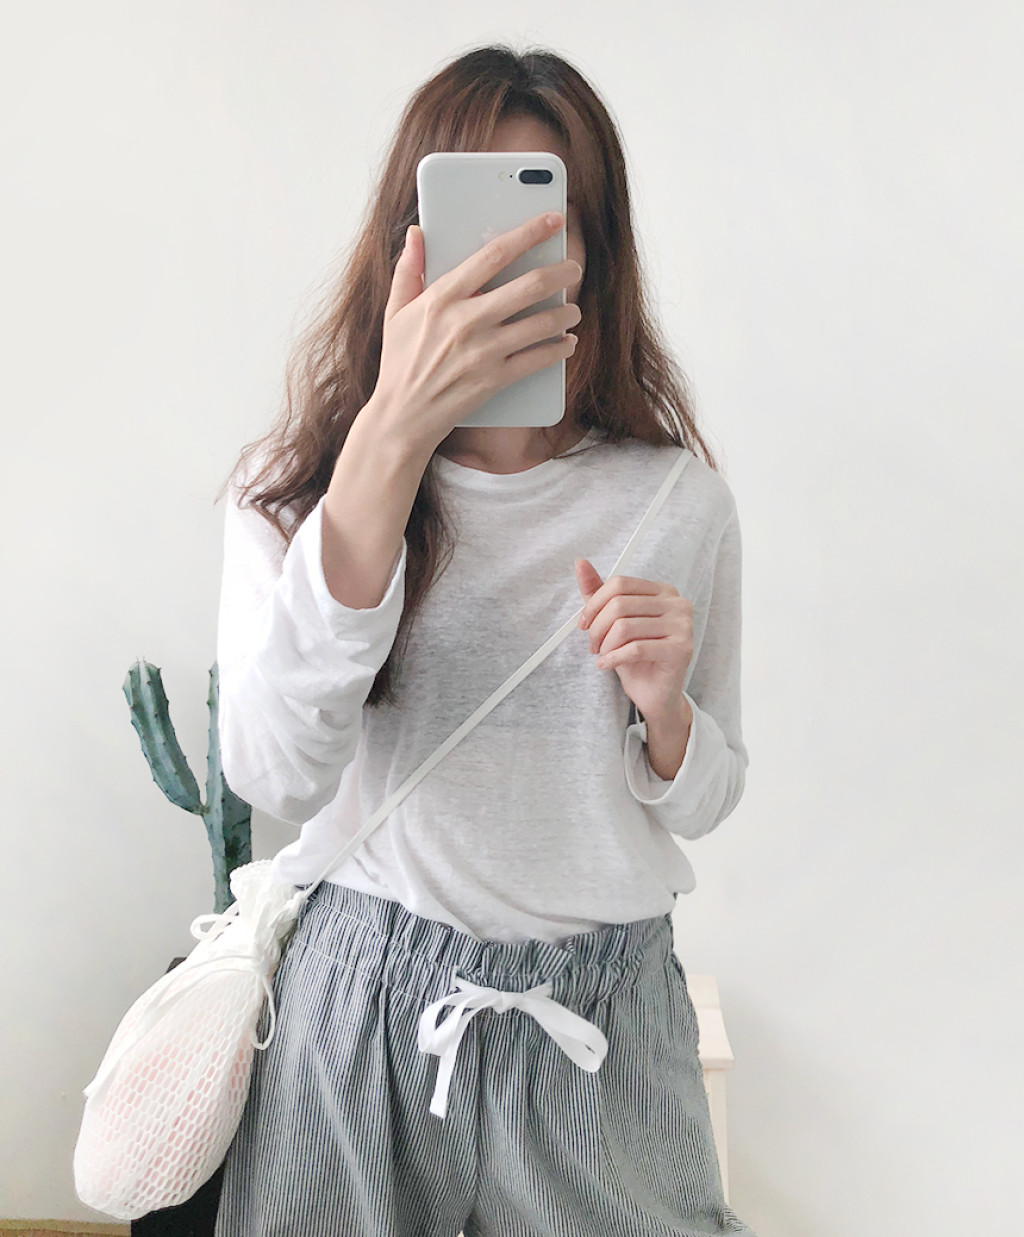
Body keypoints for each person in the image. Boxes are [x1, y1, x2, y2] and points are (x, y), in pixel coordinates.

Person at [211, 42, 757, 1237]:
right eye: (473, 223)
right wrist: (388, 440)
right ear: (404, 244)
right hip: (360, 1006)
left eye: (544, 219)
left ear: (595, 255)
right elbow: (270, 772)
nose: (502, 263)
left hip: (601, 1023)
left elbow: (709, 794)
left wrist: (666, 712)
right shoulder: (294, 489)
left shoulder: (677, 502)